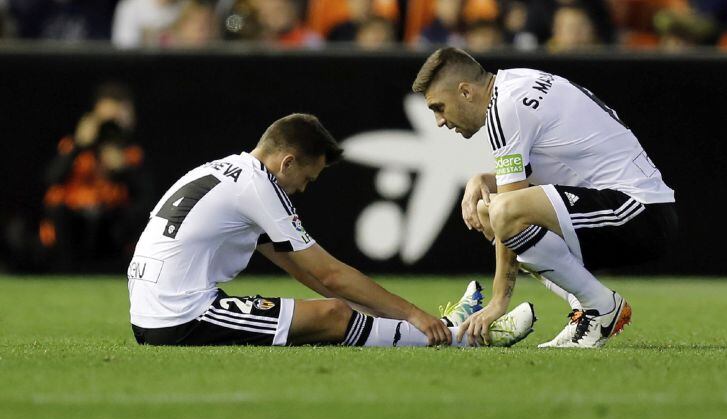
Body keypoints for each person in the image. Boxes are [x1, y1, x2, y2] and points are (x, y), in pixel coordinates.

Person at [128, 113, 535, 347]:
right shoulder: (259, 187)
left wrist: (389, 313)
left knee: (338, 309)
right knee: (335, 315)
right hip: (179, 316)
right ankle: (466, 336)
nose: (304, 189)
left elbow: (301, 270)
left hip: (154, 306)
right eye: (307, 177)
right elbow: (329, 275)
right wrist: (413, 313)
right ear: (287, 163)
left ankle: (447, 328)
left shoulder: (224, 170)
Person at [411, 48, 677, 348]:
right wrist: (483, 178)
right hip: (634, 208)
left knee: (500, 211)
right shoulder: (515, 83)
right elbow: (547, 170)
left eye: (439, 107)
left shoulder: (505, 108)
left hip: (639, 213)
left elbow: (510, 210)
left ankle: (600, 307)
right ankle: (592, 308)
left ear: (465, 92)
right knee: (488, 209)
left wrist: (499, 301)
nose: (439, 122)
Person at [40, 82, 152, 272]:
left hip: (111, 225)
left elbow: (145, 196)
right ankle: (64, 270)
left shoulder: (130, 154)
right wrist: (79, 145)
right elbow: (51, 179)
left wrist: (123, 168)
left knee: (134, 213)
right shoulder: (73, 148)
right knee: (57, 209)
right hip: (73, 225)